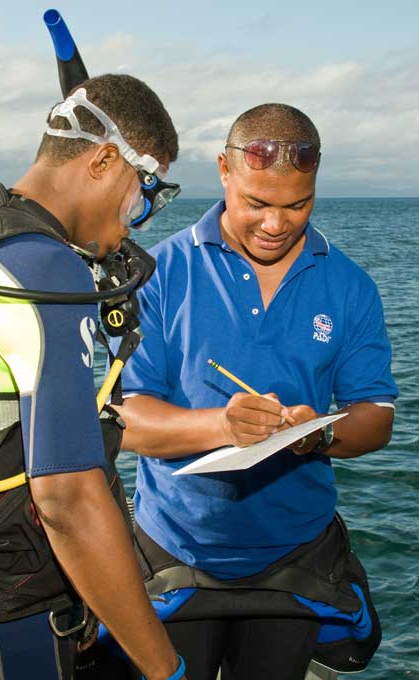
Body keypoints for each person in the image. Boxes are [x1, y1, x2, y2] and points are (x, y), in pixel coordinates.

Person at [0, 74, 188, 680]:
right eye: (144, 194)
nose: (136, 223)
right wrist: (164, 667)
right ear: (106, 160)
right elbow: (68, 497)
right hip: (0, 624)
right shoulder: (46, 270)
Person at [109, 103, 398, 680]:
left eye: (298, 205)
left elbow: (377, 415)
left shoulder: (350, 285)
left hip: (296, 558)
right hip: (175, 555)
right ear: (223, 170)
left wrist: (318, 433)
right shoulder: (160, 273)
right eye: (257, 204)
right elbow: (126, 421)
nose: (276, 224)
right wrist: (221, 425)